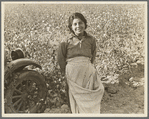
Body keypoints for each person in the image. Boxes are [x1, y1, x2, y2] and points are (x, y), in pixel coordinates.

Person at [57, 12, 104, 113]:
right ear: (71, 27)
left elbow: (92, 55)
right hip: (73, 76)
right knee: (75, 100)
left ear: (85, 24)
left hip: (88, 74)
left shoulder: (91, 39)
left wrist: (88, 68)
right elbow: (61, 58)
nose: (78, 26)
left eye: (80, 23)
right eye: (75, 24)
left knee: (90, 97)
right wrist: (64, 73)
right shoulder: (65, 41)